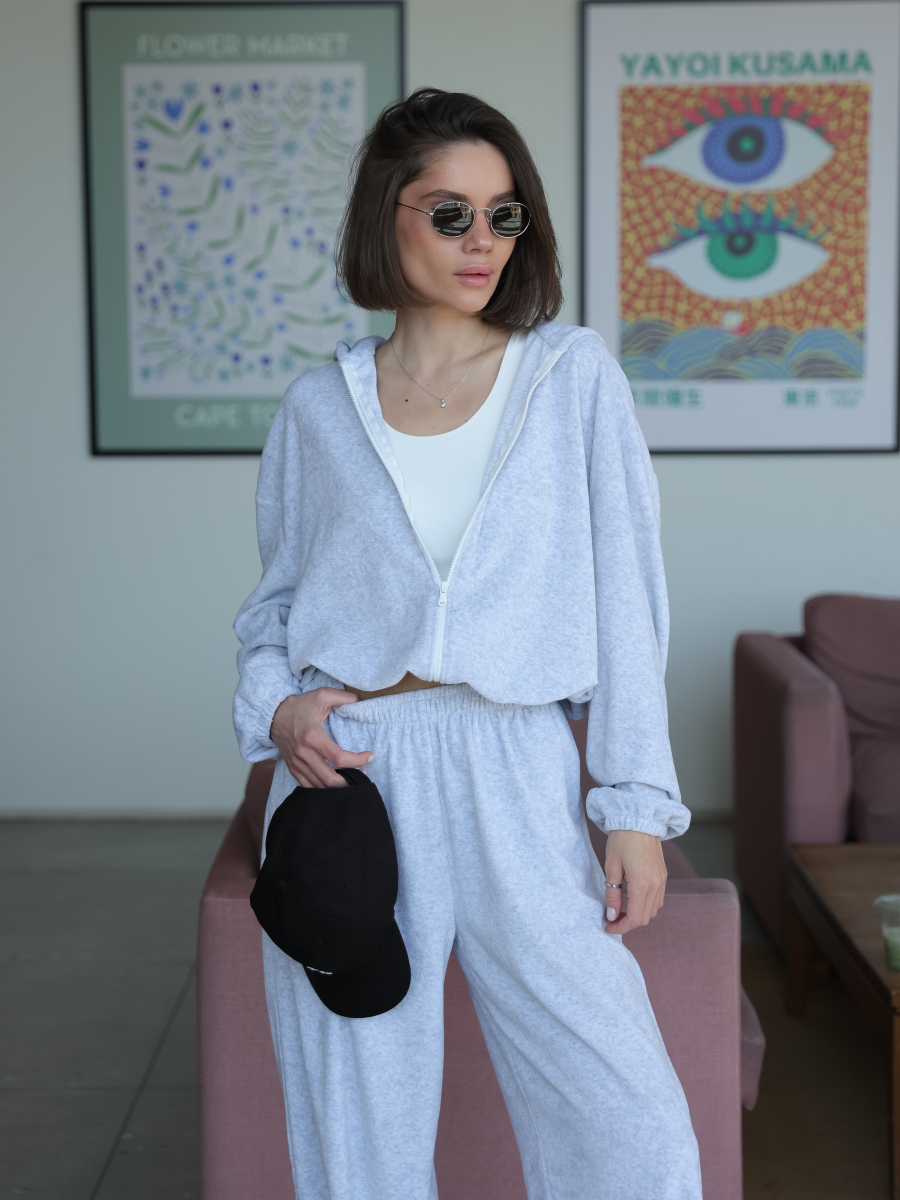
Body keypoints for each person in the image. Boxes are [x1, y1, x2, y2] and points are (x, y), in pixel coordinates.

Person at [233, 87, 702, 1200]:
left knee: (627, 1122)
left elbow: (627, 602)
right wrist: (278, 707)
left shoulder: (571, 376)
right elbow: (274, 608)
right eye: (450, 214)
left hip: (515, 757)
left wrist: (635, 806)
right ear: (385, 217)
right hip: (352, 770)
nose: (482, 241)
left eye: (504, 215)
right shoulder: (317, 409)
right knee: (359, 1121)